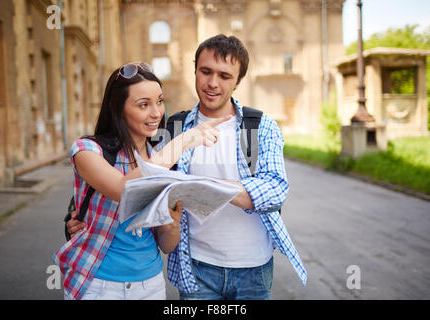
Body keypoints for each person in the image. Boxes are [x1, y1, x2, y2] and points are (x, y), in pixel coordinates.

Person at [67, 35, 307, 300]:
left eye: (225, 76)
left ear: (238, 81)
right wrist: (74, 218)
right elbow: (122, 182)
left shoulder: (260, 126)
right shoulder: (172, 131)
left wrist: (209, 188)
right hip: (196, 267)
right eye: (205, 72)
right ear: (195, 71)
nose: (212, 83)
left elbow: (275, 190)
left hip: (253, 266)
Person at [54, 62, 230, 300]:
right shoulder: (87, 150)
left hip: (150, 285)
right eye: (143, 105)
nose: (156, 113)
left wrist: (172, 226)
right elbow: (123, 189)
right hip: (98, 284)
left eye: (159, 101)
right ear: (118, 109)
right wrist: (183, 141)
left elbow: (166, 245)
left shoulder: (162, 160)